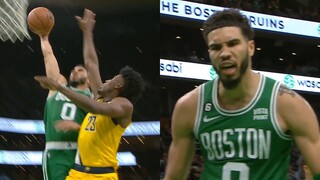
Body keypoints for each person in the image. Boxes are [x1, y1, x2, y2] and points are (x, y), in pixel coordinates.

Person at [164, 9, 320, 180]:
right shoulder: (189, 106)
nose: (225, 53)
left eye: (233, 43)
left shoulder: (287, 103)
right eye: (216, 47)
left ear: (251, 47)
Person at [35, 9, 145, 180]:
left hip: (101, 175)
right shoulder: (101, 97)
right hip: (77, 172)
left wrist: (60, 87)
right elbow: (91, 64)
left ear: (119, 85)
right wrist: (87, 32)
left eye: (111, 79)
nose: (106, 80)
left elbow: (95, 107)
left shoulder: (124, 106)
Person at [36, 27, 92, 180]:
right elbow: (48, 56)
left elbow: (99, 130)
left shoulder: (93, 99)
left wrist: (78, 127)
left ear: (89, 79)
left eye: (80, 70)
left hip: (80, 153)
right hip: (55, 153)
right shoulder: (58, 86)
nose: (75, 71)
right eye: (74, 70)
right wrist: (44, 37)